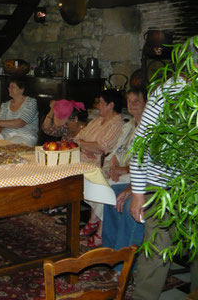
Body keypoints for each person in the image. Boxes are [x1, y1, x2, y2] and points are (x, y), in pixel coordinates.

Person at [129, 77, 198, 298]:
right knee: (157, 252)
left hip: (193, 187)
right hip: (162, 187)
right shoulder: (169, 90)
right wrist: (138, 193)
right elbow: (142, 142)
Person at [82, 87, 146, 248]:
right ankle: (96, 221)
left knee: (107, 186)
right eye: (129, 101)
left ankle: (101, 231)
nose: (132, 105)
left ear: (146, 103)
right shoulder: (129, 125)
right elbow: (117, 149)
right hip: (120, 169)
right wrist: (114, 165)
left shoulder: (149, 128)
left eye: (136, 101)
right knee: (94, 176)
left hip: (135, 175)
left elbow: (145, 162)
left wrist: (123, 169)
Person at [73, 89, 124, 241]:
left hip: (98, 162)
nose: (97, 106)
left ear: (111, 105)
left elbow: (102, 147)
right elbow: (77, 138)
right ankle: (91, 219)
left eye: (101, 102)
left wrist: (85, 145)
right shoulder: (96, 120)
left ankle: (95, 221)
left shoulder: (117, 124)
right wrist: (85, 146)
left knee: (86, 175)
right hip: (83, 158)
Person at [0, 78, 38, 146]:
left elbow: (19, 123)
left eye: (12, 87)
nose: (9, 89)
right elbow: (0, 122)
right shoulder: (5, 105)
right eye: (9, 87)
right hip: (6, 134)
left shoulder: (31, 102)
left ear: (21, 89)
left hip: (24, 136)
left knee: (7, 146)